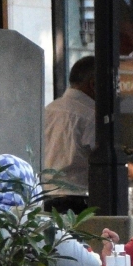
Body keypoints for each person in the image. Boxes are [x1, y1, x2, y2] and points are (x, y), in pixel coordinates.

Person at [41, 57, 98, 194]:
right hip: (77, 198)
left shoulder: (49, 109)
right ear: (94, 84)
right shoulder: (92, 115)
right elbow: (100, 158)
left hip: (44, 194)